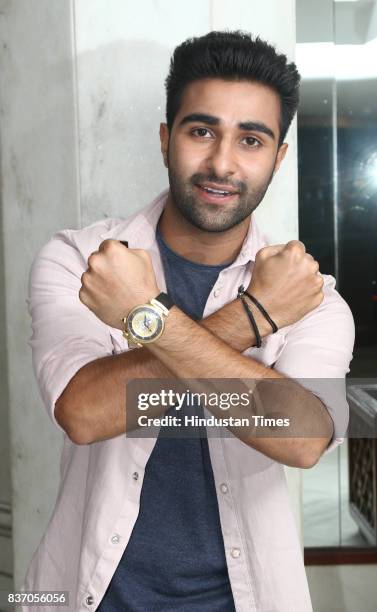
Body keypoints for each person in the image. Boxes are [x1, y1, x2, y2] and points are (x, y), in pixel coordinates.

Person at [24, 31, 354, 612]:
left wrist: (148, 322)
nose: (222, 163)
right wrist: (256, 317)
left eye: (250, 140)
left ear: (278, 157)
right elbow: (83, 413)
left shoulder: (310, 298)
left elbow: (303, 439)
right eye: (201, 131)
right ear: (164, 138)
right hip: (79, 593)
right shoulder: (82, 261)